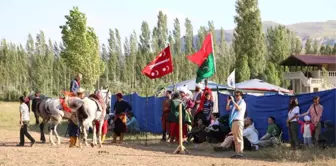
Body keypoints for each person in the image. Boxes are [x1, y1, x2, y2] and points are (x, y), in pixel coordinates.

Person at [226, 91, 246, 158]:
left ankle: (240, 153)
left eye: (237, 95)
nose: (236, 97)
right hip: (234, 121)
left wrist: (233, 101)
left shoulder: (242, 102)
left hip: (239, 121)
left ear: (241, 96)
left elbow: (238, 108)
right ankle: (237, 152)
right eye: (235, 95)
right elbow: (227, 108)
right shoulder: (236, 103)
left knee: (239, 137)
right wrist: (228, 101)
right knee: (235, 138)